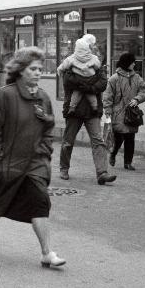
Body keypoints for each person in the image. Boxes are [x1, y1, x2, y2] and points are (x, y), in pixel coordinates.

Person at [0, 46, 65, 269]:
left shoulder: (42, 97)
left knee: (40, 201)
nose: (38, 73)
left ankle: (47, 253)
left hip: (35, 163)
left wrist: (45, 151)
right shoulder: (4, 95)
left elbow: (49, 127)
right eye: (33, 69)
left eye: (40, 69)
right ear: (21, 70)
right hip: (7, 161)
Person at [58, 35, 117, 185]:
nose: (93, 49)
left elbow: (103, 83)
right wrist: (90, 82)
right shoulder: (70, 62)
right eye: (91, 46)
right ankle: (64, 168)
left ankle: (102, 173)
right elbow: (68, 81)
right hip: (74, 111)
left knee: (98, 141)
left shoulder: (96, 62)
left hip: (93, 111)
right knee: (68, 141)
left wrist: (87, 86)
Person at [103, 52, 145, 171]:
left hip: (131, 113)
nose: (134, 64)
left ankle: (128, 162)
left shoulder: (137, 78)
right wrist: (108, 111)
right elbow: (107, 96)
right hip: (117, 113)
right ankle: (113, 154)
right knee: (118, 137)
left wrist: (137, 99)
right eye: (132, 62)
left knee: (130, 137)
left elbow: (143, 90)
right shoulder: (114, 78)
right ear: (126, 63)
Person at [57, 37, 102, 115]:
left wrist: (59, 71)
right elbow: (98, 66)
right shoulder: (93, 57)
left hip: (78, 78)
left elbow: (63, 66)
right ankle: (95, 106)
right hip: (90, 78)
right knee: (90, 93)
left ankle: (72, 107)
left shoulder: (72, 58)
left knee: (76, 93)